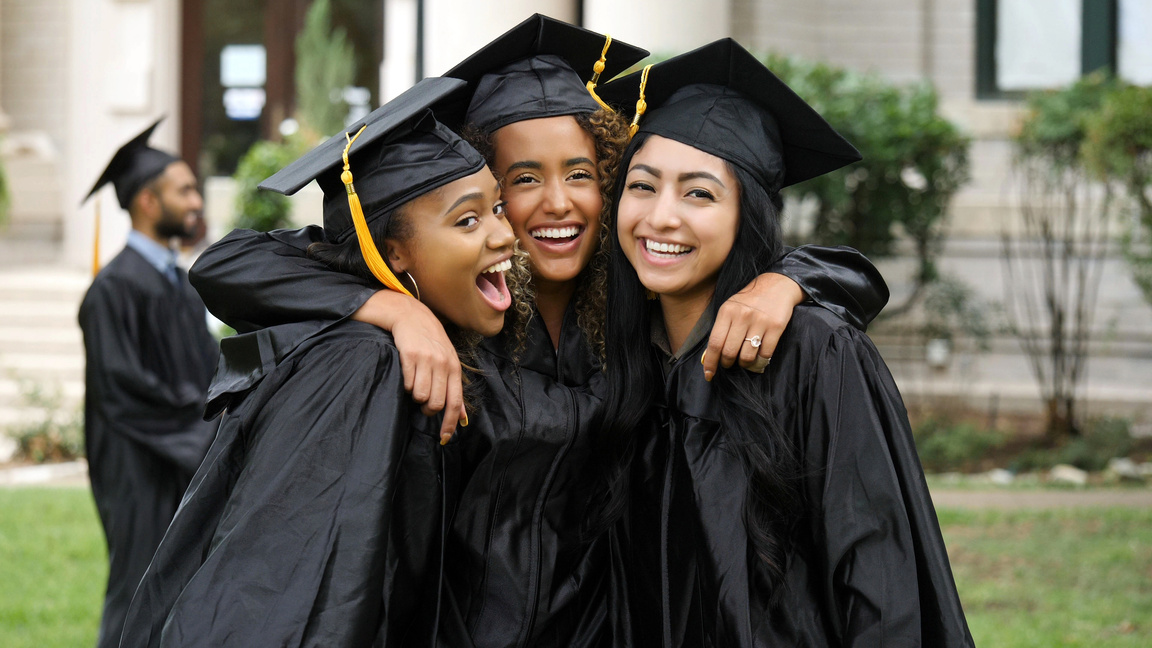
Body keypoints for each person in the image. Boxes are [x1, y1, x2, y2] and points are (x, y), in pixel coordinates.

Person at [181, 16, 888, 646]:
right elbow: (233, 263)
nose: (559, 203)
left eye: (580, 174)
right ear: (485, 193)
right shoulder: (457, 314)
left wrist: (786, 280)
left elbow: (798, 266)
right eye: (522, 180)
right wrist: (396, 311)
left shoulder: (630, 304)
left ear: (608, 179)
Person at [595, 39, 974, 646]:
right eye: (642, 186)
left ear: (749, 214)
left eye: (699, 193)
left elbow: (878, 579)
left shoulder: (815, 352)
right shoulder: (622, 357)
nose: (661, 217)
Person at [119, 77, 518, 647]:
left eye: (497, 208)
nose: (506, 235)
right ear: (393, 252)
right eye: (468, 220)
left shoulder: (419, 338)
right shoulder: (363, 365)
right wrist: (396, 312)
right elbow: (292, 601)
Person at [77, 119, 220, 648]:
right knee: (138, 598)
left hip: (184, 458)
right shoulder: (112, 290)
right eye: (183, 189)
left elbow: (209, 370)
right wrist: (205, 426)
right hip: (140, 468)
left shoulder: (179, 285)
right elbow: (123, 390)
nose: (195, 201)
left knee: (187, 594)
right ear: (146, 201)